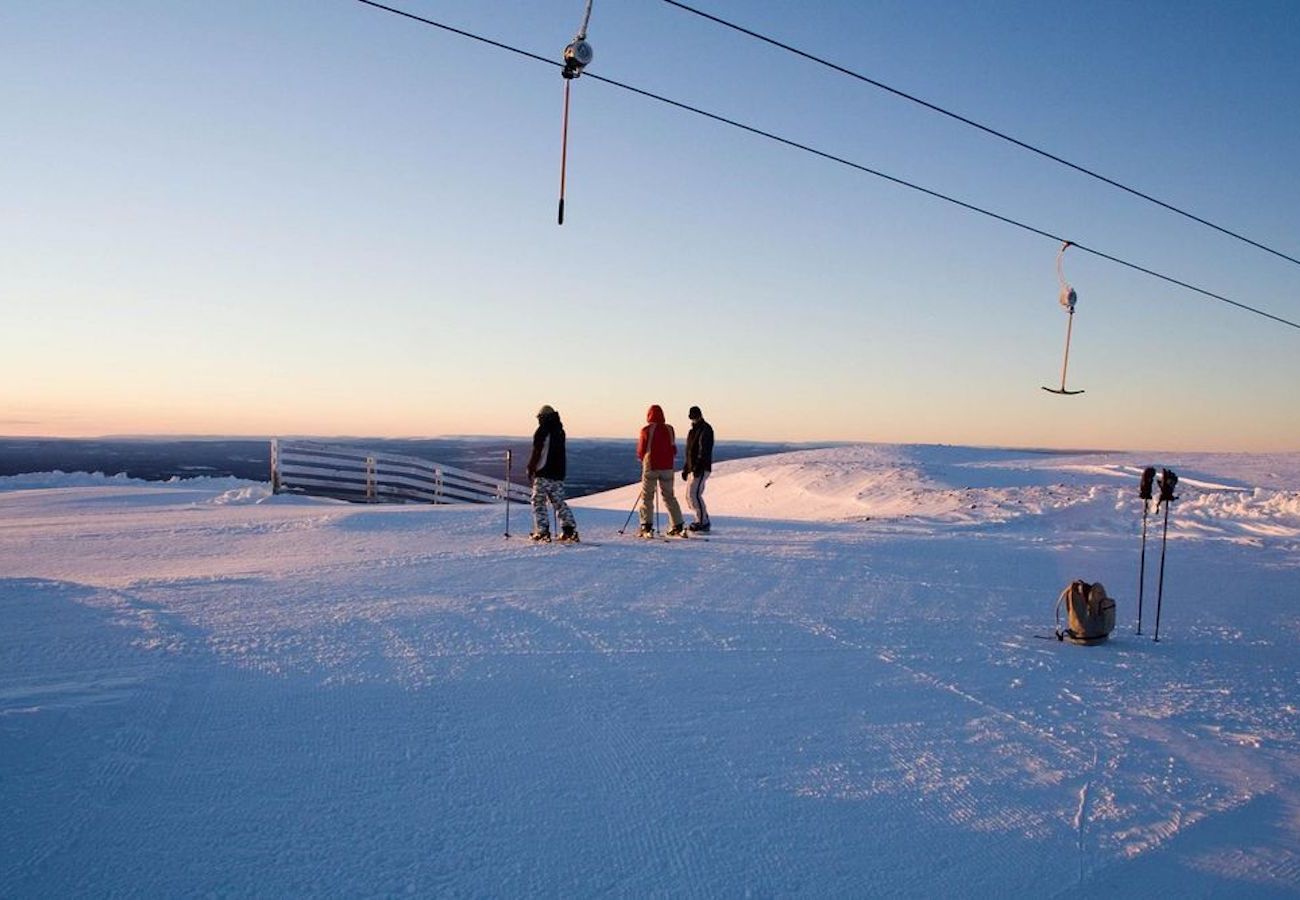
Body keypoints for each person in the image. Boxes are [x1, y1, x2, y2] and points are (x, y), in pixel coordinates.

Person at [526, 405, 579, 542]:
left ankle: (542, 531)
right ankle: (569, 530)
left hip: (543, 472)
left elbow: (538, 451)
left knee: (538, 501)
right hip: (558, 473)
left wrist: (531, 467)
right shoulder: (560, 430)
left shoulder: (542, 431)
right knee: (559, 502)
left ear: (543, 417)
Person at [636, 404, 686, 537]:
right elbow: (673, 449)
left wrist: (642, 459)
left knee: (647, 496)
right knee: (669, 496)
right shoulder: (670, 429)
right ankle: (678, 525)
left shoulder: (646, 430)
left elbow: (641, 450)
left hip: (651, 466)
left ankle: (646, 526)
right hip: (668, 467)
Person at [681, 405, 714, 532]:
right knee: (690, 496)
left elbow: (703, 450)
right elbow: (690, 451)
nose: (693, 419)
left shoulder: (705, 430)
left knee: (694, 494)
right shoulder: (693, 431)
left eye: (694, 417)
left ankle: (702, 521)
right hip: (693, 468)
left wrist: (697, 467)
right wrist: (686, 467)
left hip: (701, 468)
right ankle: (701, 519)